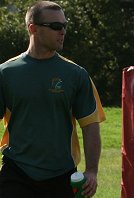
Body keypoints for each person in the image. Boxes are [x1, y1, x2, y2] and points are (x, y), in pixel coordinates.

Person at [0, 1, 106, 197]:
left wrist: (92, 170)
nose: (63, 31)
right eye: (56, 26)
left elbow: (90, 125)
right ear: (33, 29)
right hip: (17, 172)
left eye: (65, 25)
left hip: (62, 175)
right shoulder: (6, 73)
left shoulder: (76, 74)